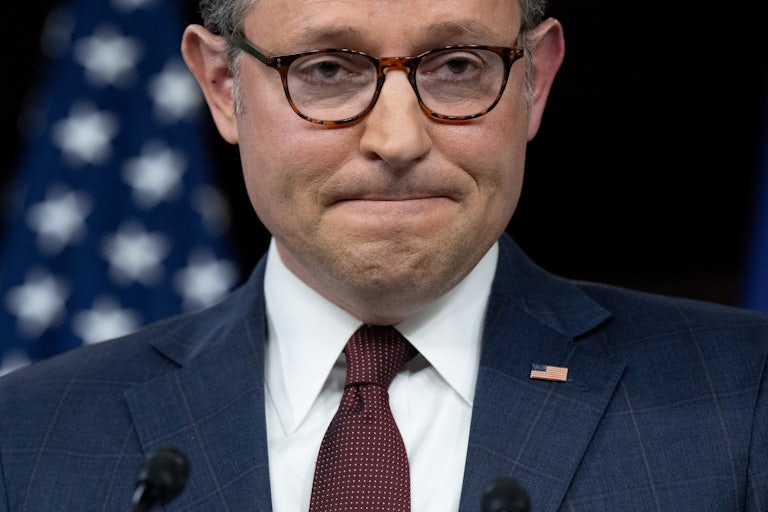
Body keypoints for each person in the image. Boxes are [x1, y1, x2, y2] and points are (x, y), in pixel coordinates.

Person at [1, 0, 767, 510]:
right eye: (328, 70)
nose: (397, 140)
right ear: (221, 86)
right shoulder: (26, 439)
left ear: (534, 82)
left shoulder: (743, 400)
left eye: (458, 65)